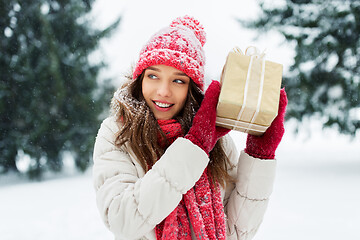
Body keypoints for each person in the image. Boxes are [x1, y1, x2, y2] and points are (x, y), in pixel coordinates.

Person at [92, 15, 288, 240]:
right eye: (153, 76)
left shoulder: (216, 139)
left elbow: (235, 232)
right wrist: (194, 146)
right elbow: (123, 220)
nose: (163, 91)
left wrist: (259, 154)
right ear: (140, 79)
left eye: (178, 80)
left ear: (191, 89)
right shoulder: (117, 134)